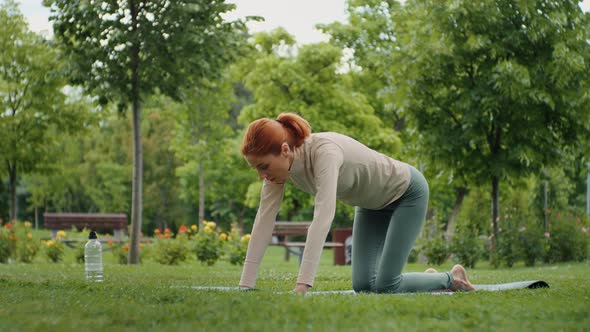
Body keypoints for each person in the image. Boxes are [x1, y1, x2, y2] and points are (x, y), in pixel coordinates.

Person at [238, 112, 475, 294]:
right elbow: (263, 221)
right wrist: (246, 284)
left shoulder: (324, 153)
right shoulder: (278, 171)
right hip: (371, 205)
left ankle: (452, 278)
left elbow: (322, 218)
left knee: (386, 286)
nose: (261, 176)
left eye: (263, 166)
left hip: (407, 193)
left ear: (285, 150)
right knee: (363, 285)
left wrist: (302, 285)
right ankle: (428, 280)